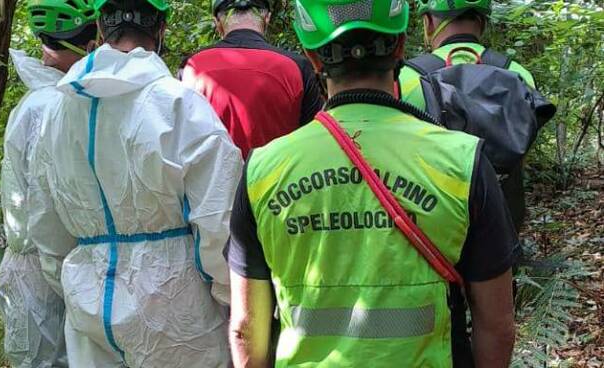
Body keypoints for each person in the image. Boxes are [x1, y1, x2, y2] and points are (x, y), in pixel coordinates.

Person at [226, 0, 518, 367]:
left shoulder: (265, 169)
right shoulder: (462, 161)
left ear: (312, 58)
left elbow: (245, 328)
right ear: (399, 47)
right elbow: (498, 325)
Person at [27, 0, 242, 366]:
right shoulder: (180, 105)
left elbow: (45, 223)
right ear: (161, 29)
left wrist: (71, 281)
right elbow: (217, 220)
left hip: (88, 300)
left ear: (99, 27)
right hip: (177, 307)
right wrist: (230, 297)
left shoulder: (56, 112)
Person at [0, 1, 98, 366]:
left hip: (42, 268)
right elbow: (46, 208)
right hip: (43, 269)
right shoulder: (50, 104)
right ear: (87, 45)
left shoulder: (42, 97)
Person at [398, 0, 540, 233]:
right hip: (502, 226)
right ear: (482, 22)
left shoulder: (405, 78)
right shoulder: (519, 75)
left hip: (432, 222)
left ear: (429, 23)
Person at [180, 0, 323, 157]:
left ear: (218, 23)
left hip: (209, 180)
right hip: (278, 178)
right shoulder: (298, 66)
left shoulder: (191, 66)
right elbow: (313, 137)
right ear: (266, 18)